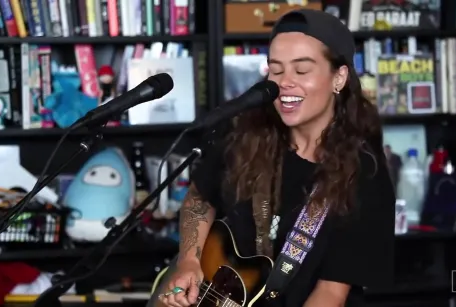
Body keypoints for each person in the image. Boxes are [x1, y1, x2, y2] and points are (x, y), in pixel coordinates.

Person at [156, 9, 395, 307]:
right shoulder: (243, 134)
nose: (284, 83)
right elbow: (199, 198)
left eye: (302, 70)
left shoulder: (363, 174)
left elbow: (331, 293)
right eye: (276, 69)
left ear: (339, 77)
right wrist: (188, 262)